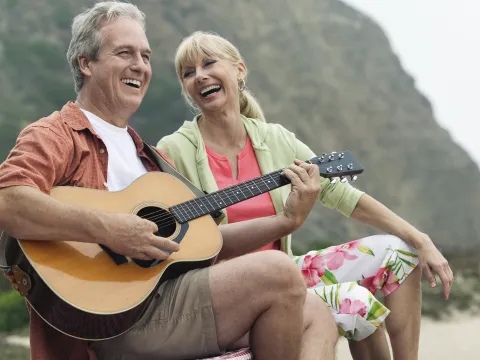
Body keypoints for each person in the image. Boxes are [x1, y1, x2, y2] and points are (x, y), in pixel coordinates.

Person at [0, 2, 340, 360]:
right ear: (86, 63)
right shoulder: (58, 133)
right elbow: (8, 201)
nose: (140, 66)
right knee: (278, 270)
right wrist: (109, 229)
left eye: (146, 56)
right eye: (124, 53)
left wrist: (286, 221)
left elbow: (202, 244)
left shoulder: (149, 156)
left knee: (316, 313)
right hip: (115, 321)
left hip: (166, 302)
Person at [156, 31, 455, 360]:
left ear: (239, 70)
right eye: (188, 72)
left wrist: (420, 238)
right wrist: (286, 219)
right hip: (225, 290)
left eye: (209, 63)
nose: (199, 75)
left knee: (401, 252)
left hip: (286, 272)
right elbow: (181, 238)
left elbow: (342, 195)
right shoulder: (175, 149)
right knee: (355, 302)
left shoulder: (275, 138)